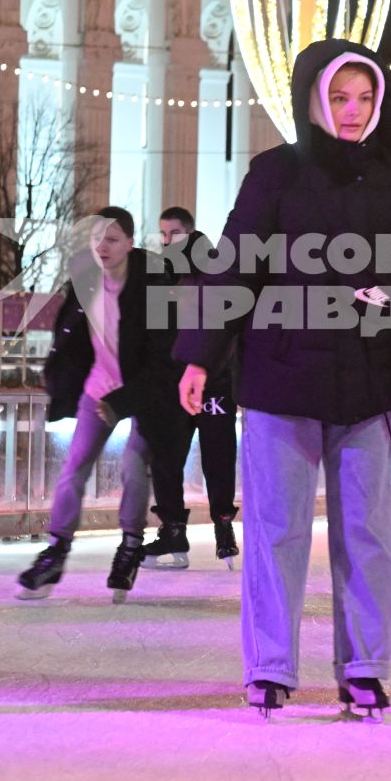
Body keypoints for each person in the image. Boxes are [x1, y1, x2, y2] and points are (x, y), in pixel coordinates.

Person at [174, 39, 391, 720]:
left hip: (366, 383)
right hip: (281, 380)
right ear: (315, 99)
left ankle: (365, 667)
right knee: (274, 530)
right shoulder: (275, 174)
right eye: (341, 97)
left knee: (369, 535)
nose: (353, 111)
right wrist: (202, 353)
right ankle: (268, 666)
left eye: (365, 98)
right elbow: (235, 268)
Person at [17, 207, 194, 600]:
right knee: (73, 468)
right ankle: (56, 551)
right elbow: (71, 341)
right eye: (97, 238)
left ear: (130, 244)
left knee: (134, 468)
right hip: (97, 392)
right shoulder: (86, 282)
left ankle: (130, 545)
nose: (102, 246)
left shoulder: (153, 289)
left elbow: (164, 359)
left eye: (112, 239)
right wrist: (59, 380)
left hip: (143, 396)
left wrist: (124, 400)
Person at [153, 206, 238, 567]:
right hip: (174, 381)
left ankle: (223, 527)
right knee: (166, 456)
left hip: (213, 381)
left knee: (218, 456)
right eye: (162, 234)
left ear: (189, 232)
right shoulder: (163, 275)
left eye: (172, 233)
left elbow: (227, 324)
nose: (165, 241)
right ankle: (173, 529)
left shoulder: (213, 270)